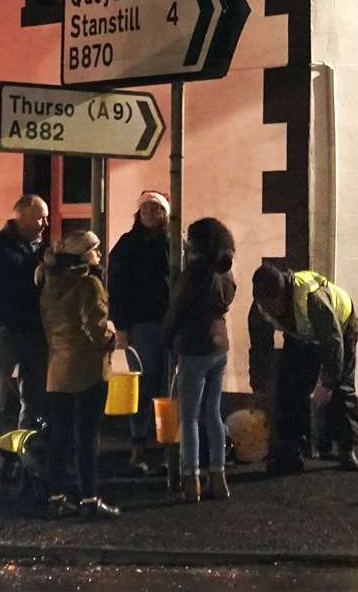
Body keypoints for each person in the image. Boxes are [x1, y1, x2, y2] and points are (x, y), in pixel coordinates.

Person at [249, 264, 358, 473]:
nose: (271, 311)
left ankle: (346, 448)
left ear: (283, 295)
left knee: (342, 388)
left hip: (341, 326)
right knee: (289, 387)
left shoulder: (312, 299)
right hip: (301, 334)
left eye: (274, 305)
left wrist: (326, 383)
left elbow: (333, 342)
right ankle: (290, 452)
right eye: (265, 305)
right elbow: (259, 348)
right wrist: (258, 387)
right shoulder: (259, 308)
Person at [41, 228, 121, 519]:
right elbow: (95, 327)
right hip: (87, 370)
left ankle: (56, 498)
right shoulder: (89, 285)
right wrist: (111, 339)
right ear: (84, 255)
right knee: (87, 438)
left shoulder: (49, 283)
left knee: (59, 438)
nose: (99, 255)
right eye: (95, 250)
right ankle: (89, 499)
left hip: (57, 370)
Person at [164, 217, 238, 501]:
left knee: (189, 417)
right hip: (219, 345)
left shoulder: (195, 274)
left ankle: (191, 477)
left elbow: (177, 310)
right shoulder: (225, 272)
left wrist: (168, 338)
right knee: (213, 413)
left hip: (194, 346)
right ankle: (218, 476)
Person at [107, 190, 172, 475]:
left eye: (156, 209)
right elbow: (117, 289)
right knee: (142, 387)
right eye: (145, 208)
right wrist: (121, 326)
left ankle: (169, 448)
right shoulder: (126, 245)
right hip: (141, 325)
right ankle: (138, 446)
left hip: (170, 325)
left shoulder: (173, 244)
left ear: (164, 214)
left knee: (168, 387)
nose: (150, 213)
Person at [0, 195, 50, 432]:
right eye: (41, 219)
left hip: (32, 331)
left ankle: (26, 452)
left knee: (34, 397)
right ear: (23, 217)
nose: (45, 225)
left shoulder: (37, 249)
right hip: (7, 332)